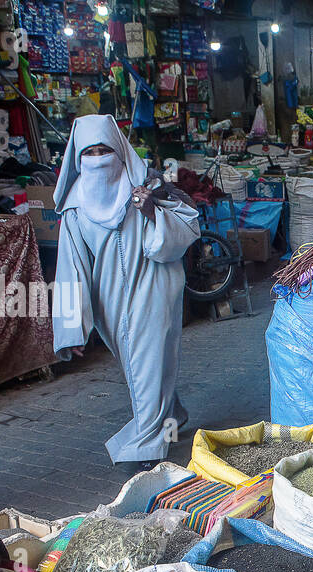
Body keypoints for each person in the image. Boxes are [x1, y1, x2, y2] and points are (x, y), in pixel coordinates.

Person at [51, 114, 201, 470]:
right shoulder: (74, 211)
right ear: (78, 160)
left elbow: (184, 229)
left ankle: (147, 452)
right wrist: (73, 328)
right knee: (148, 370)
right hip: (110, 304)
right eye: (91, 153)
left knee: (147, 367)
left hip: (154, 289)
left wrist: (151, 210)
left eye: (106, 151)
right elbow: (71, 270)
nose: (99, 159)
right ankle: (171, 420)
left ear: (120, 152)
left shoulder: (148, 188)